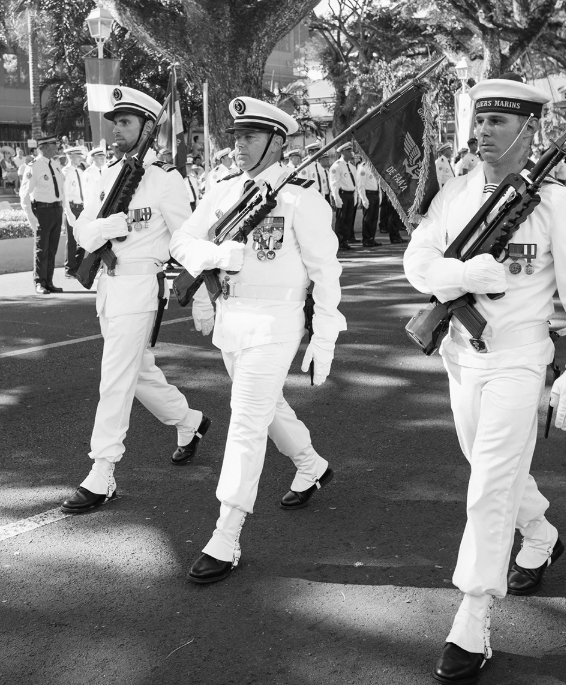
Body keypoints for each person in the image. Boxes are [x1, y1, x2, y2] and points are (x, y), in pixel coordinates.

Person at [403, 75, 566, 685]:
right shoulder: (457, 192)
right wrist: (461, 273)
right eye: (480, 120)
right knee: (484, 464)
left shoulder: (558, 203)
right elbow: (416, 262)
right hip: (460, 352)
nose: (483, 132)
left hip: (521, 358)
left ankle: (472, 615)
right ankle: (541, 530)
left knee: (491, 484)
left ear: (530, 129)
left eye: (498, 122)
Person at [170, 96, 344, 584]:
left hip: (277, 321)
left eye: (249, 136)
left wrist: (324, 335)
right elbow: (181, 241)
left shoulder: (301, 198)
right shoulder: (222, 188)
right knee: (267, 409)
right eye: (236, 136)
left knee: (245, 420)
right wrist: (215, 253)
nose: (238, 145)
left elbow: (326, 272)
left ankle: (226, 535)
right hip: (232, 319)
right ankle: (311, 465)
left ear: (277, 141)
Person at [61, 85, 210, 515]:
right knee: (139, 373)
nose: (117, 131)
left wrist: (201, 295)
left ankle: (102, 469)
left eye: (126, 123)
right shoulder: (104, 175)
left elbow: (189, 240)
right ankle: (190, 422)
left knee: (116, 378)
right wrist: (111, 226)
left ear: (148, 127)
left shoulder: (165, 181)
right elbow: (84, 234)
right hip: (108, 287)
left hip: (142, 287)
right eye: (115, 123)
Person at [19, 135, 65, 294]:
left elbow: (62, 191)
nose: (57, 147)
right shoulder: (34, 166)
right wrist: (32, 218)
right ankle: (39, 282)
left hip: (56, 210)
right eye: (54, 145)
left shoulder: (56, 164)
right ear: (44, 147)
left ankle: (49, 281)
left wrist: (63, 213)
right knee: (41, 249)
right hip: (42, 211)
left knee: (52, 248)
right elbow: (24, 194)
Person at [329, 143, 365, 251]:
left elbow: (355, 184)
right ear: (343, 152)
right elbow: (334, 183)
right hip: (342, 194)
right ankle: (339, 242)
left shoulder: (352, 167)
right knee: (341, 219)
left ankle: (345, 240)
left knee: (349, 219)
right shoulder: (337, 166)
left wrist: (356, 197)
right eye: (348, 151)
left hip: (350, 195)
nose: (351, 153)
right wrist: (336, 197)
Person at [61, 145, 88, 278]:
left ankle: (77, 267)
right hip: (72, 207)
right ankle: (70, 269)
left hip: (81, 207)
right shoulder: (65, 172)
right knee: (71, 240)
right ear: (71, 157)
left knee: (82, 238)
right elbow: (65, 195)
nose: (80, 159)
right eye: (78, 156)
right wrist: (68, 213)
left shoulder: (80, 171)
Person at [357, 158, 381, 247]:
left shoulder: (375, 167)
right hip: (368, 194)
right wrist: (363, 198)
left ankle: (371, 238)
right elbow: (360, 185)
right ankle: (366, 239)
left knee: (374, 218)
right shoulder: (363, 167)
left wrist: (380, 196)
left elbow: (378, 183)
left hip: (375, 194)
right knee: (368, 218)